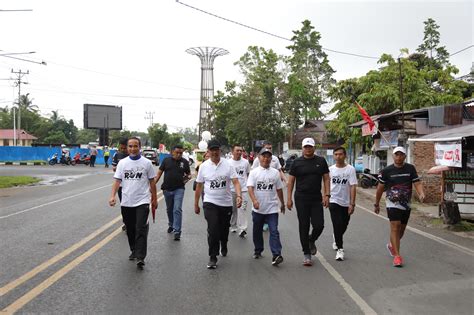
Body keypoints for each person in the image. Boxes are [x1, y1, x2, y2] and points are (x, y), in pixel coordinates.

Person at [109, 137, 157, 269]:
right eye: (130, 146)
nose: (133, 148)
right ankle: (134, 250)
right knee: (130, 229)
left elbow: (152, 182)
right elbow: (117, 181)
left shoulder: (147, 163)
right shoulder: (122, 163)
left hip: (142, 200)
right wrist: (112, 196)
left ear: (139, 147)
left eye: (135, 146)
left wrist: (154, 199)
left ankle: (140, 257)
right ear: (127, 147)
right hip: (126, 201)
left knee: (140, 228)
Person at [194, 139, 242, 269]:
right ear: (208, 151)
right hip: (210, 202)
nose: (215, 152)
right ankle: (213, 256)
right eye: (212, 150)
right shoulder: (204, 166)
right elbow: (199, 186)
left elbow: (236, 182)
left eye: (217, 150)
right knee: (213, 228)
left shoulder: (228, 165)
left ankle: (224, 243)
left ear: (220, 151)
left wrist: (238, 195)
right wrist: (196, 203)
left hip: (225, 203)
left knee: (223, 229)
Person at [374, 146, 425, 267]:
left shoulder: (410, 168)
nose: (398, 157)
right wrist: (376, 203)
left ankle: (392, 245)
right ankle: (397, 256)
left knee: (401, 230)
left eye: (401, 154)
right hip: (392, 203)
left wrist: (421, 193)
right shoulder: (387, 171)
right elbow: (380, 188)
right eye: (396, 155)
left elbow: (417, 182)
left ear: (405, 156)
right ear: (393, 156)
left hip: (406, 203)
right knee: (395, 227)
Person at [287, 137, 330, 266]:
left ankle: (311, 240)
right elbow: (291, 182)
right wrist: (288, 199)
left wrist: (326, 195)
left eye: (310, 146)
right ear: (302, 148)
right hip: (301, 198)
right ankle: (306, 253)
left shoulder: (321, 161)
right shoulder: (296, 163)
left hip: (316, 198)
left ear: (314, 148)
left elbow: (326, 179)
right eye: (306, 147)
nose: (308, 149)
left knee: (319, 225)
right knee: (304, 225)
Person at [247, 147, 286, 266]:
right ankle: (258, 250)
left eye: (268, 156)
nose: (266, 158)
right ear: (259, 158)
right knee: (257, 231)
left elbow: (279, 189)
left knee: (274, 231)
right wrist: (254, 201)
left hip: (272, 208)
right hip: (258, 209)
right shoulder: (254, 172)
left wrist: (282, 203)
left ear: (271, 158)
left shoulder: (275, 173)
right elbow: (250, 188)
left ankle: (276, 254)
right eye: (264, 156)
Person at [154, 144, 191, 241]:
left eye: (181, 153)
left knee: (177, 209)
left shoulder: (185, 162)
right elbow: (159, 174)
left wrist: (185, 180)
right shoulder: (166, 161)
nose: (179, 155)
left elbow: (189, 175)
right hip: (167, 189)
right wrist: (152, 185)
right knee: (169, 209)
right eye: (177, 152)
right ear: (172, 152)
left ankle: (177, 231)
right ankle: (171, 224)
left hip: (179, 189)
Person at [328, 146, 357, 261]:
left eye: (340, 154)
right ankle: (340, 249)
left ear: (345, 156)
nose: (338, 156)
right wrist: (325, 196)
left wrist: (352, 203)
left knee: (344, 224)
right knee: (337, 224)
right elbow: (325, 183)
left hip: (345, 202)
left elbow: (353, 186)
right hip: (333, 200)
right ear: (333, 156)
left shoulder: (350, 169)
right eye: (336, 154)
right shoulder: (330, 169)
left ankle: (337, 236)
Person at [251, 141, 286, 232]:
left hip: (272, 183)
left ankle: (268, 222)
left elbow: (279, 170)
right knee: (257, 229)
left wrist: (285, 179)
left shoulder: (275, 159)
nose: (269, 149)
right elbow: (253, 174)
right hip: (260, 185)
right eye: (267, 147)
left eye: (270, 148)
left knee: (274, 230)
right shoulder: (257, 161)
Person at [228, 144, 251, 237]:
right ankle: (233, 225)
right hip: (231, 190)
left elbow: (248, 174)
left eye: (241, 151)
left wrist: (247, 185)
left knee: (243, 208)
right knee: (233, 209)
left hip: (243, 190)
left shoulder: (245, 162)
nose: (239, 152)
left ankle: (243, 229)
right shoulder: (228, 163)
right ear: (232, 151)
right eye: (237, 150)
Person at [112, 138, 129, 231]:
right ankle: (126, 222)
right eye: (121, 148)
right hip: (121, 185)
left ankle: (132, 222)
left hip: (132, 185)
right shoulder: (117, 155)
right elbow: (114, 168)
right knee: (124, 204)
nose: (123, 150)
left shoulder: (133, 155)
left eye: (124, 148)